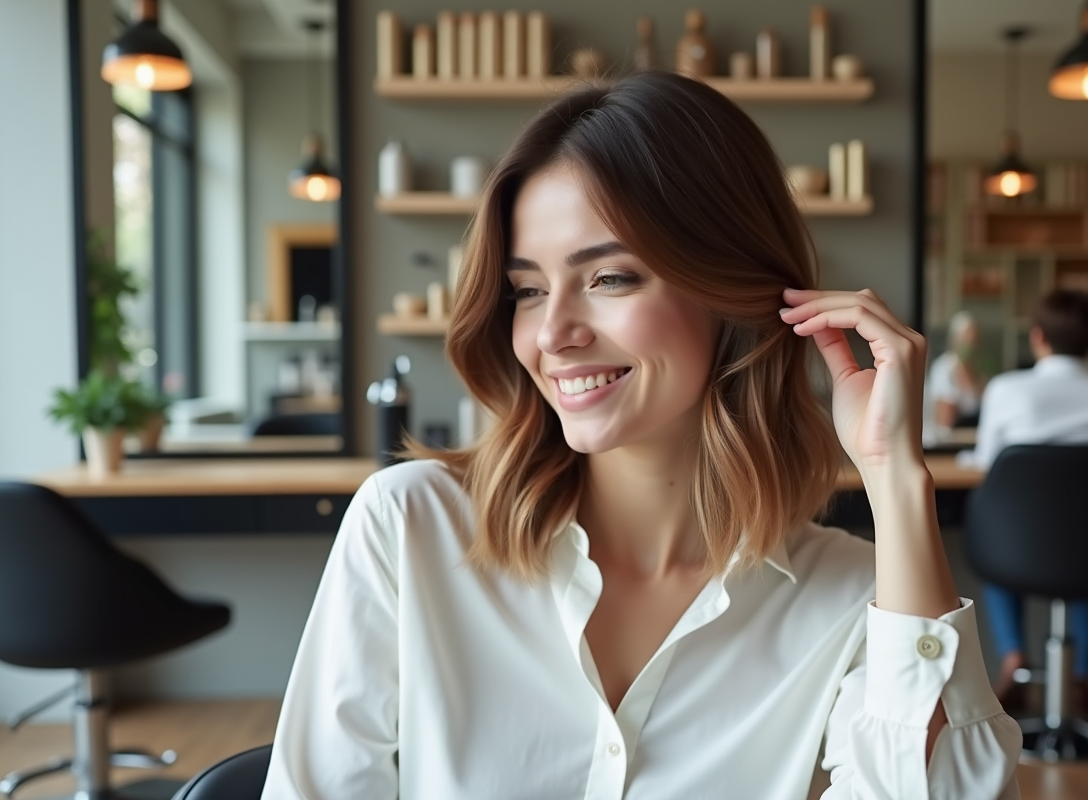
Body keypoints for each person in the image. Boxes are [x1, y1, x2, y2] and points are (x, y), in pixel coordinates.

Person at [261, 72, 1020, 799]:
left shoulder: (861, 602)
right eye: (527, 290)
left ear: (731, 291)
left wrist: (894, 477)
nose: (553, 333)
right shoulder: (409, 528)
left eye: (609, 278)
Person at [957, 289, 1088, 714]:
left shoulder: (1007, 390)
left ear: (1038, 337)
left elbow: (988, 460)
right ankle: (1080, 676)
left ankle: (1014, 661)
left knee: (999, 555)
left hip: (1018, 545)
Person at [922, 310, 987, 445]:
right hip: (946, 441)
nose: (970, 345)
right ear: (955, 339)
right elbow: (945, 418)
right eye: (966, 339)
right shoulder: (943, 368)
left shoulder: (978, 371)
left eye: (974, 340)